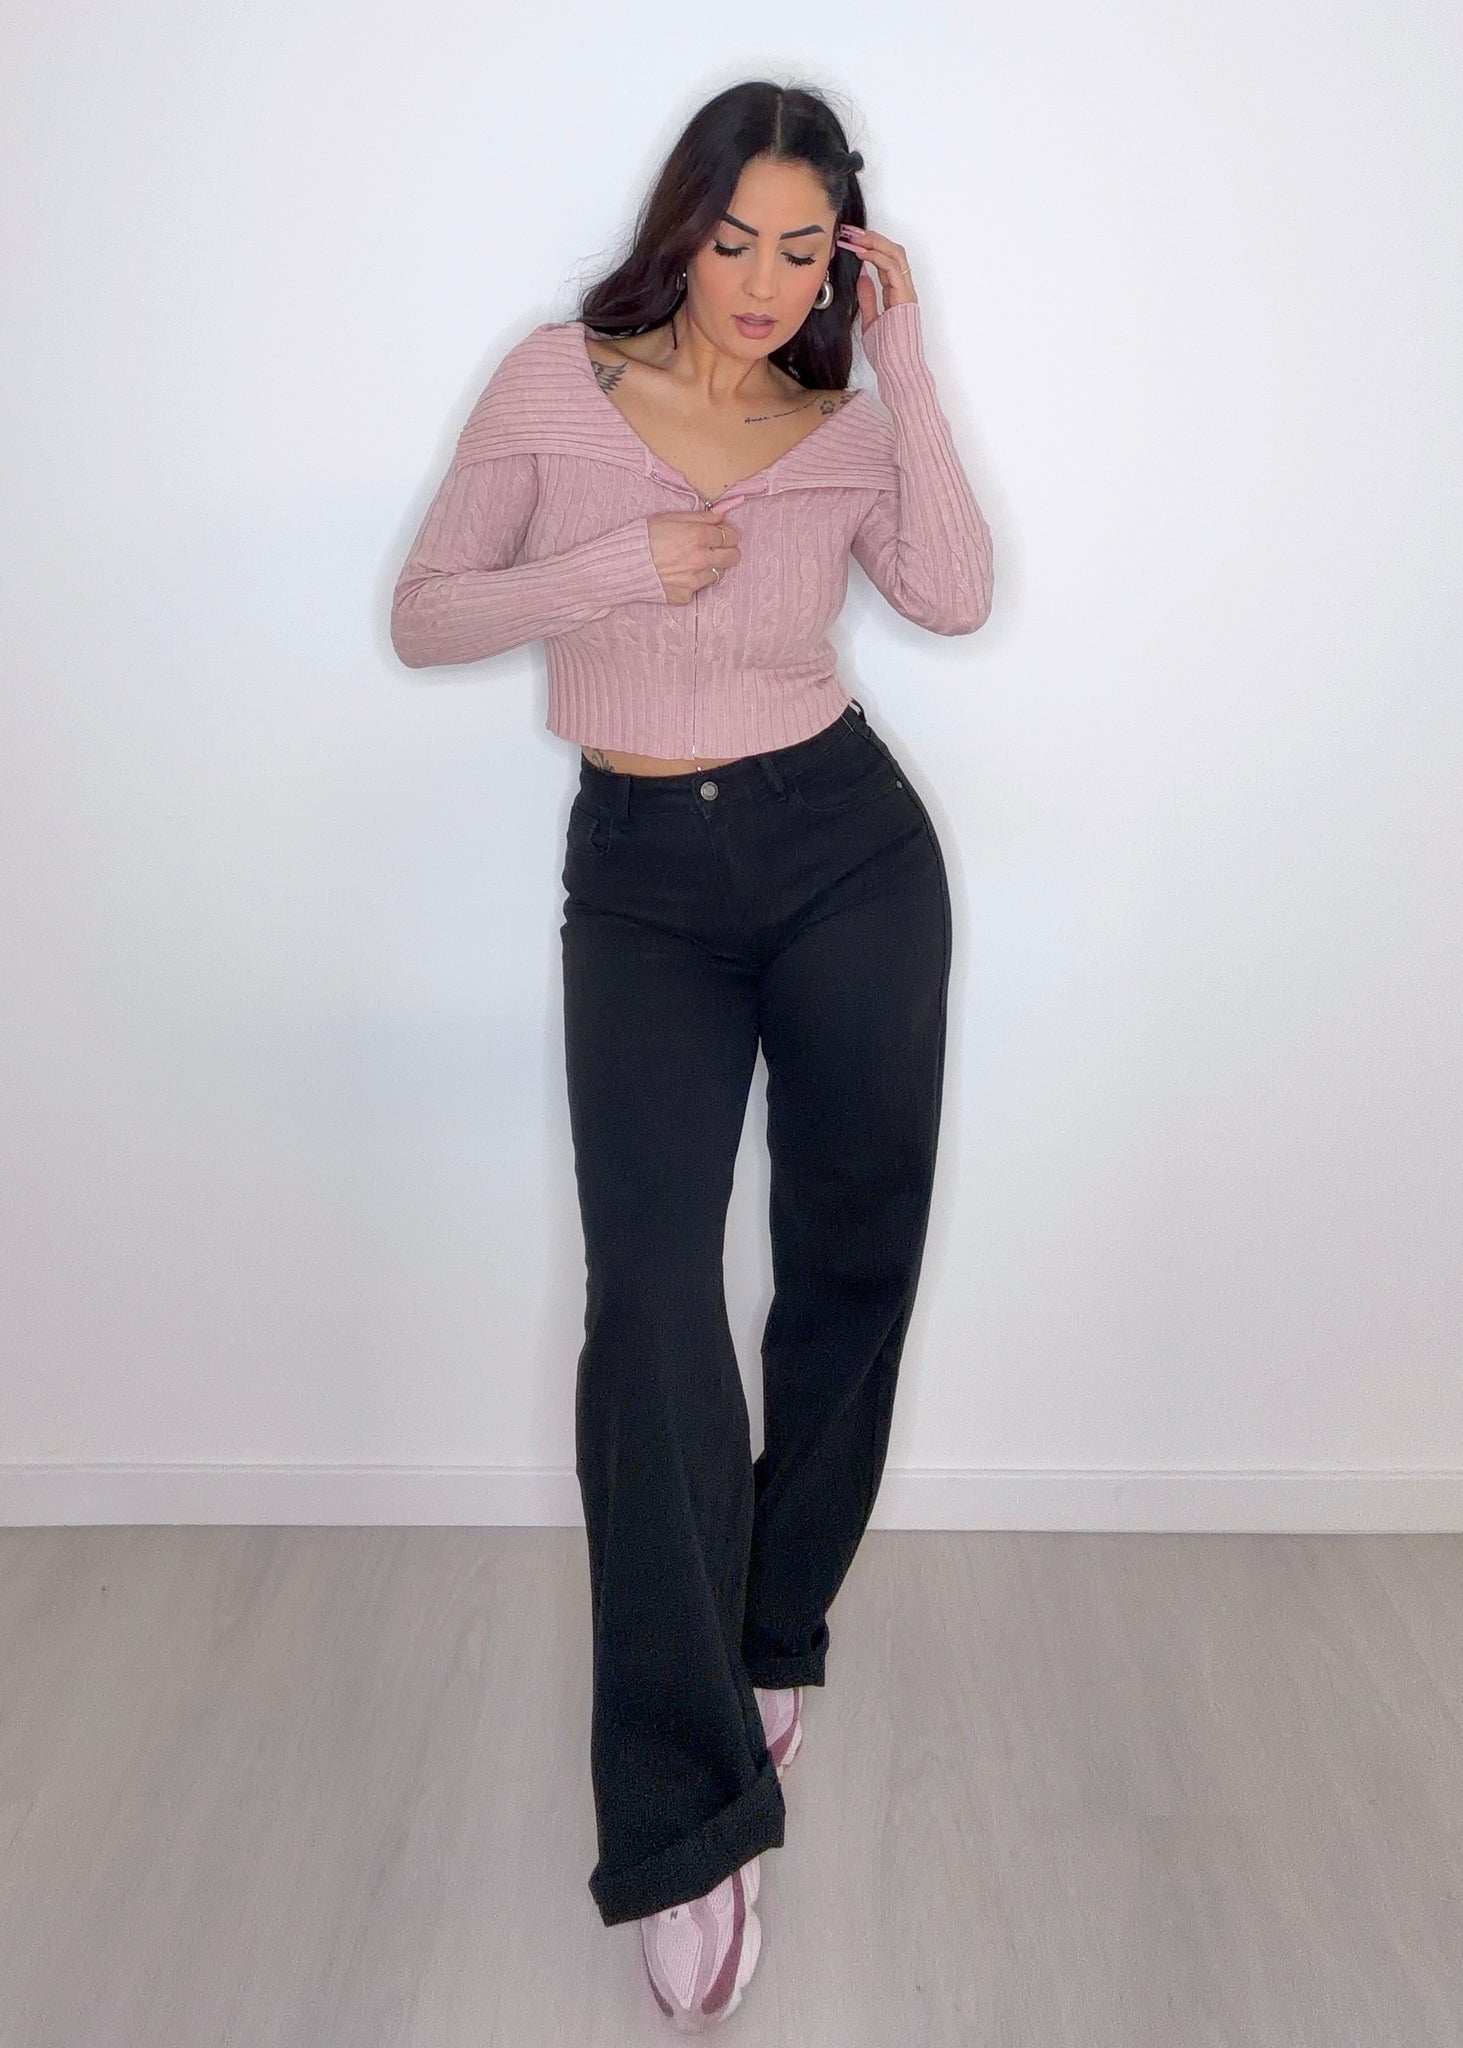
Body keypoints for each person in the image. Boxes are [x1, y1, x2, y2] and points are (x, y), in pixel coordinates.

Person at [390, 77, 993, 2031]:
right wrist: (606, 575)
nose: (763, 280)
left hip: (847, 852)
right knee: (650, 1305)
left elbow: (955, 593)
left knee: (852, 1256)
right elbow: (425, 615)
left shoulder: (845, 424)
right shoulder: (553, 384)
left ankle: (772, 1622)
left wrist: (908, 366)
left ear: (844, 263)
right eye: (737, 238)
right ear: (685, 227)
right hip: (643, 879)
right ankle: (684, 1819)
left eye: (806, 250)